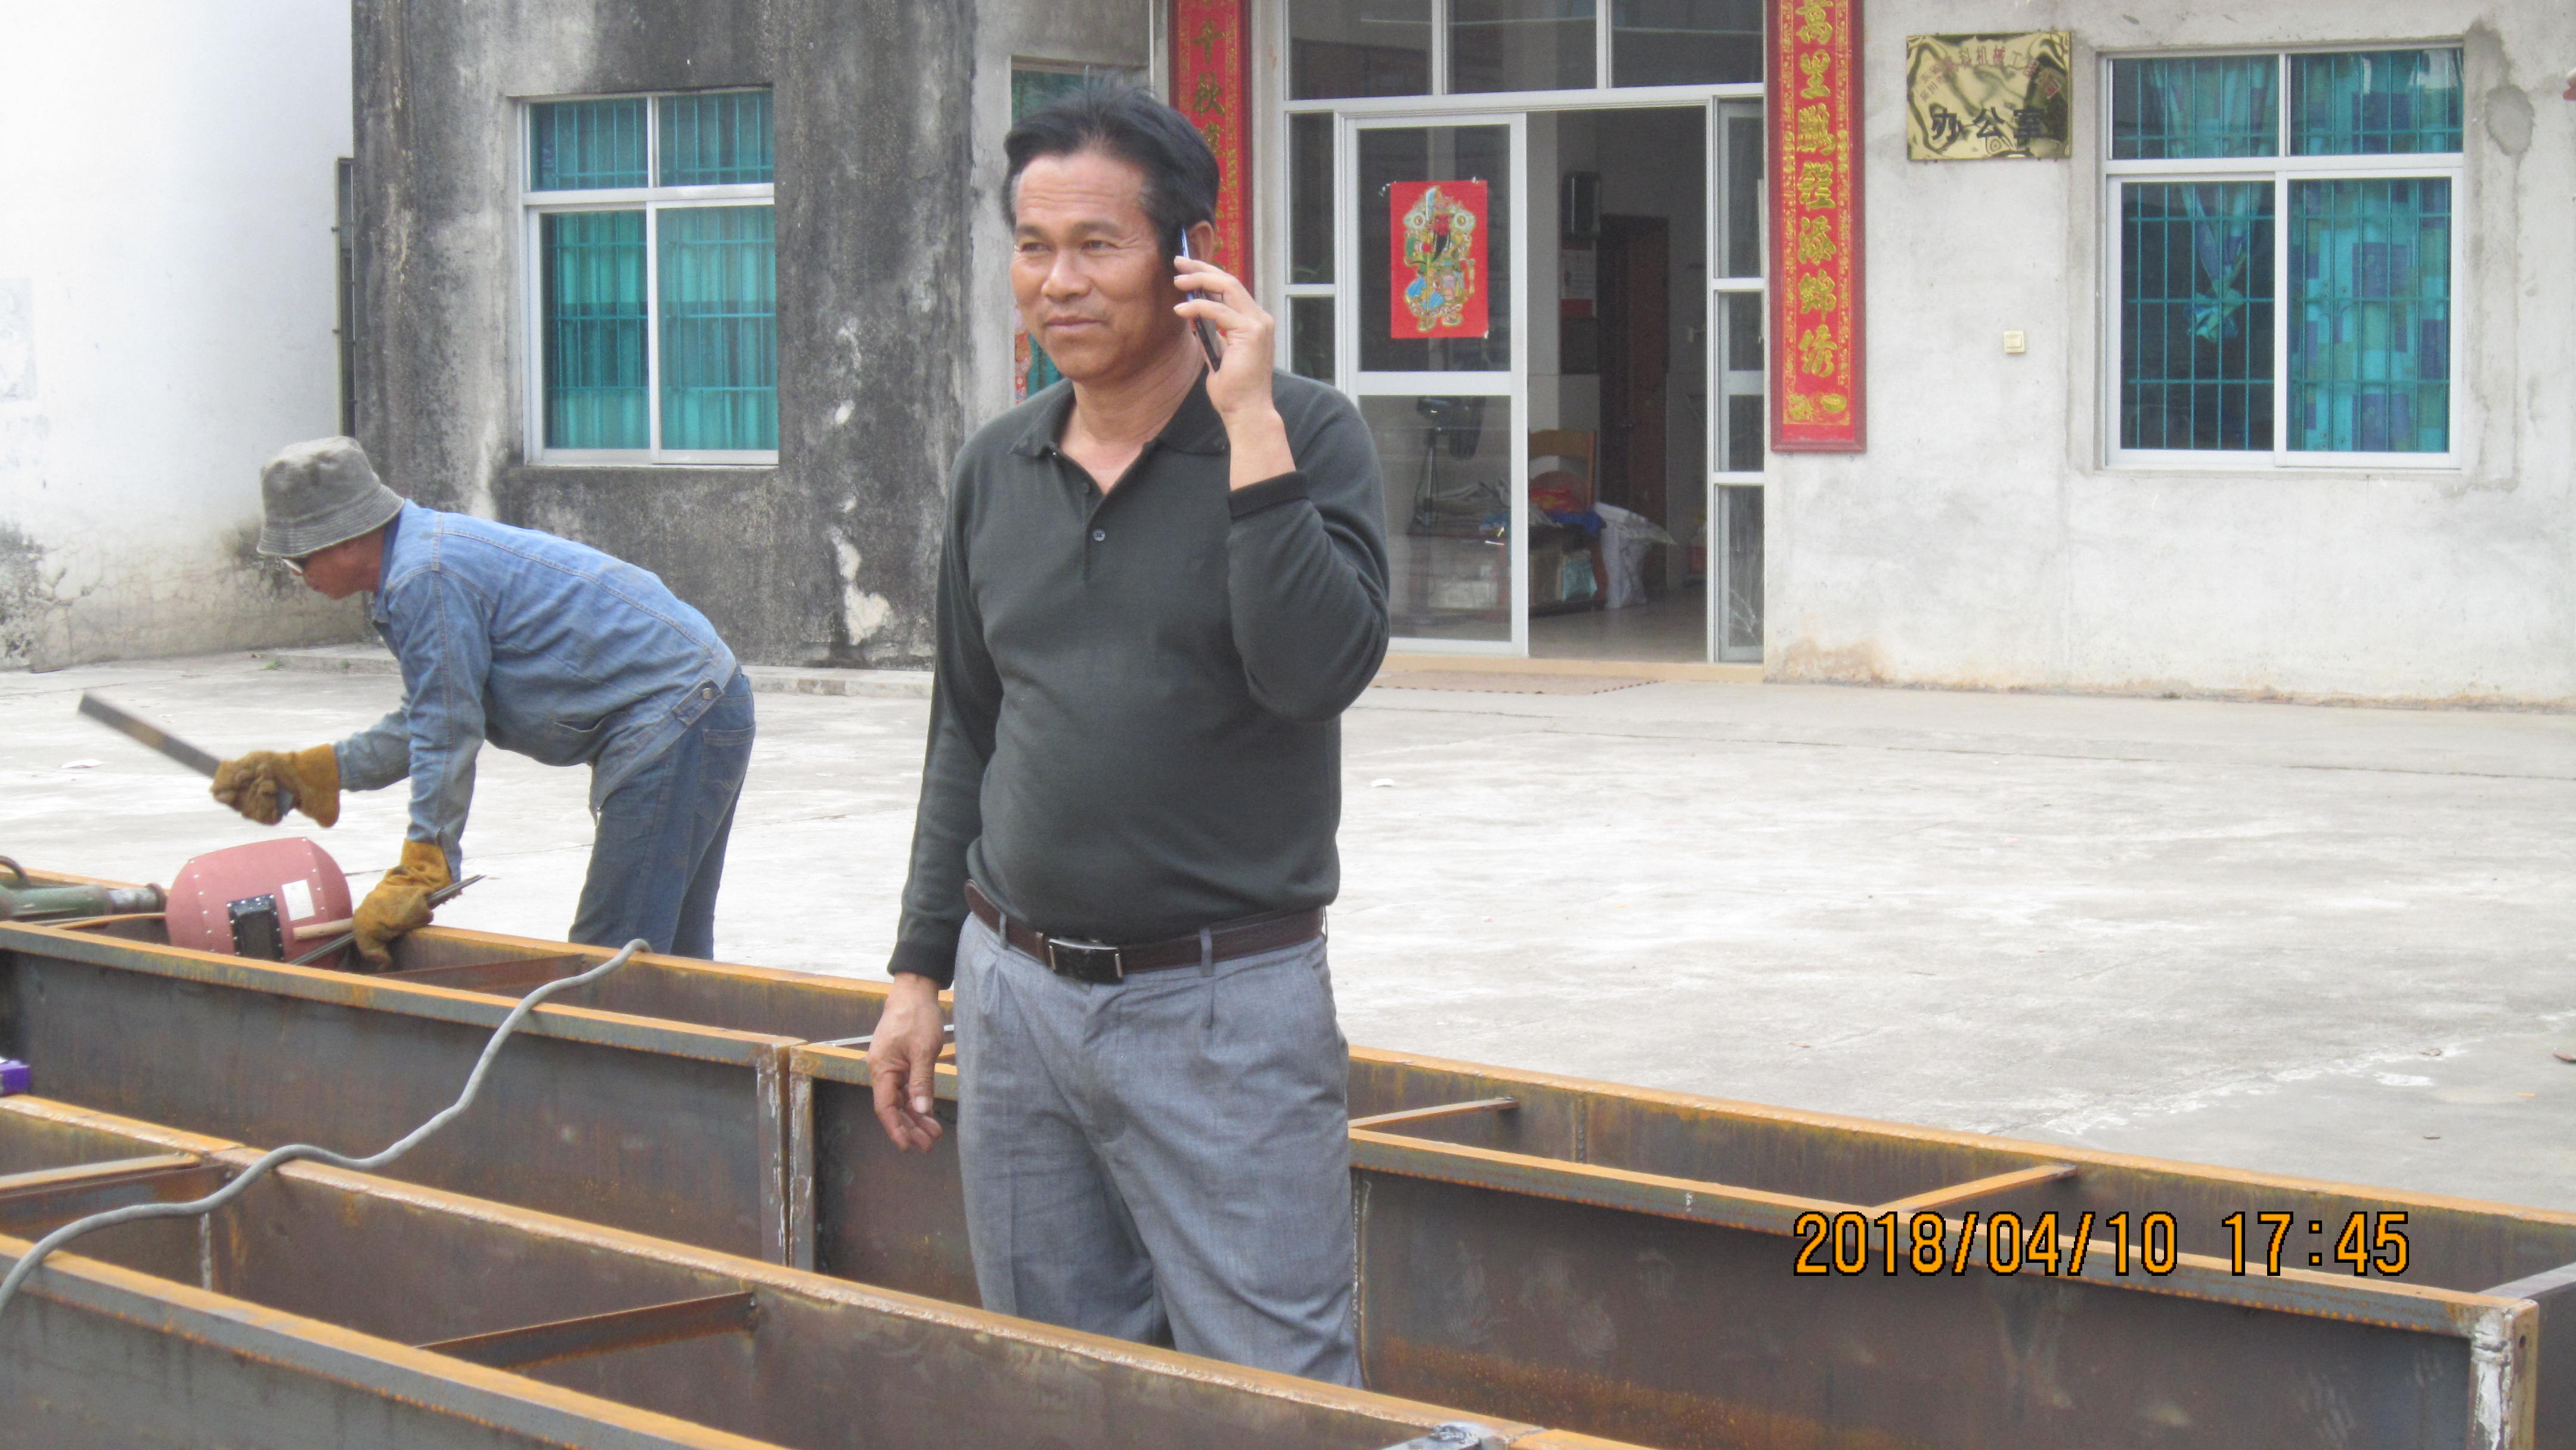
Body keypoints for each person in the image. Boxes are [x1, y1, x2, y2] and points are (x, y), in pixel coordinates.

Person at [868, 86, 1389, 1385]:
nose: (1060, 282)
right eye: (1034, 246)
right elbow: (967, 728)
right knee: (1059, 1372)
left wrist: (1249, 423)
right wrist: (920, 968)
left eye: (1098, 245)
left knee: (1274, 1383)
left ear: (1188, 255)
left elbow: (1316, 671)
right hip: (1013, 995)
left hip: (1222, 1006)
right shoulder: (998, 465)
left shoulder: (1303, 434)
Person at [212, 436, 754, 966]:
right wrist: (315, 773)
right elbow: (431, 719)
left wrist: (425, 863)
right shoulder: (421, 561)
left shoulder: (424, 577)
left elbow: (446, 732)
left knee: (609, 960)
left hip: (679, 713)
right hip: (703, 703)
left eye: (299, 560)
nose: (298, 576)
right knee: (673, 959)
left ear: (346, 539)